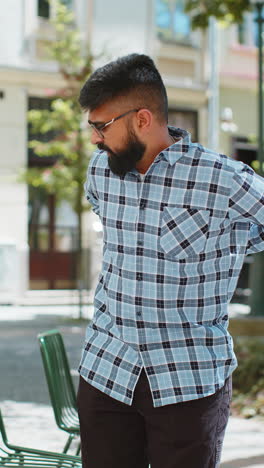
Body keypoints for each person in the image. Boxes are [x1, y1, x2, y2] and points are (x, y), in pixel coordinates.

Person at [77, 53, 264, 468]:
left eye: (101, 125)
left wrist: (232, 243)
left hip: (188, 380)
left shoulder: (223, 179)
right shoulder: (100, 172)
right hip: (108, 370)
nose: (94, 138)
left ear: (142, 119)